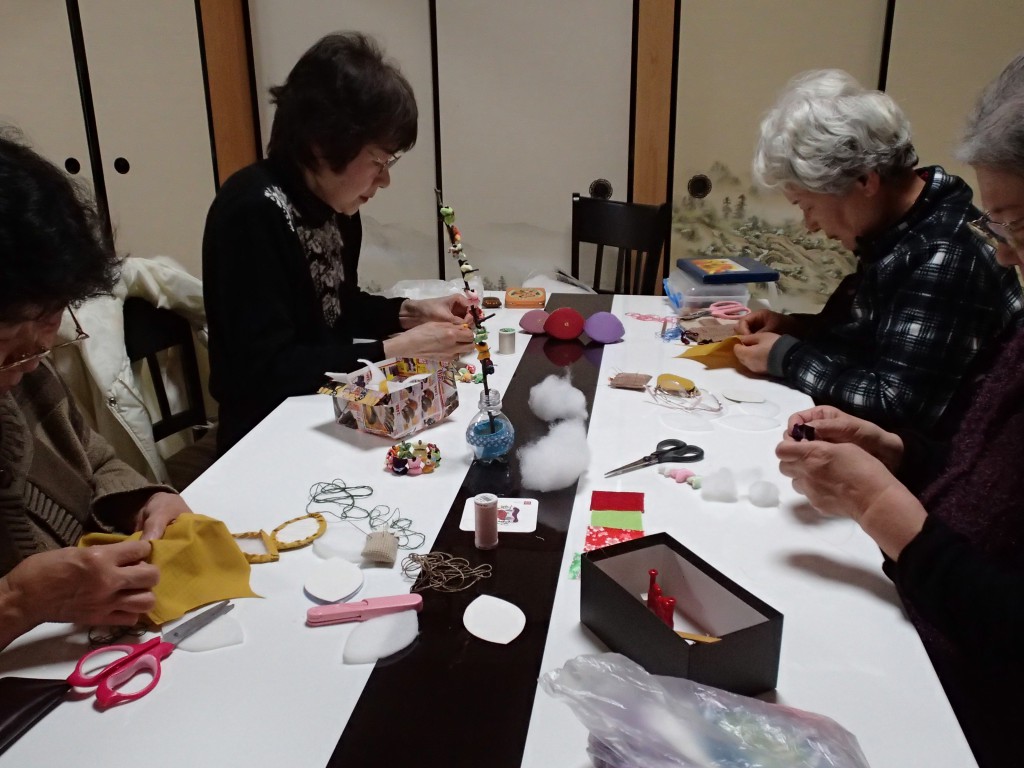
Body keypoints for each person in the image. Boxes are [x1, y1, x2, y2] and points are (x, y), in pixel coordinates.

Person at [776, 52, 1024, 768]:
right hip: (924, 612)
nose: (1003, 257)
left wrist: (876, 500)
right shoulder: (896, 242)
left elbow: (1008, 628)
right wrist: (897, 452)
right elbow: (984, 467)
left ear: (863, 181)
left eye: (1016, 227)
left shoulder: (947, 253)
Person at [203, 32, 474, 454]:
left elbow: (337, 310)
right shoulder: (252, 210)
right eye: (379, 161)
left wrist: (411, 313)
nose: (385, 179)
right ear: (323, 144)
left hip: (331, 416)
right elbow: (263, 373)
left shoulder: (334, 206)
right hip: (266, 438)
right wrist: (394, 351)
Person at [735, 69, 1023, 436]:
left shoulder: (943, 251)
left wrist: (787, 357)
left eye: (807, 205)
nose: (810, 225)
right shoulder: (901, 228)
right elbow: (869, 337)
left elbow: (897, 406)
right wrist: (799, 330)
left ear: (864, 180)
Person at [0, 134, 191, 652]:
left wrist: (147, 501)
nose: (31, 359)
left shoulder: (27, 372)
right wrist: (17, 601)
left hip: (84, 645)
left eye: (50, 321)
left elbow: (95, 457)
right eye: (9, 346)